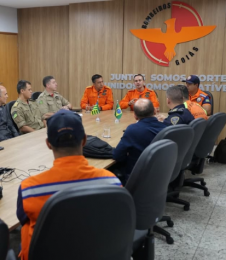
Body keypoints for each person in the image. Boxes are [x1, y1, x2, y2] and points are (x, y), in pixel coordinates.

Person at [16, 110, 121, 260]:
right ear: (84, 140)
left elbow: (22, 219)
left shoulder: (29, 189)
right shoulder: (112, 183)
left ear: (48, 144)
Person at [112, 99, 166, 183]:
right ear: (155, 111)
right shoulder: (166, 128)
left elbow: (117, 155)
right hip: (161, 172)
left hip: (137, 174)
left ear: (135, 116)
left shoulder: (132, 129)